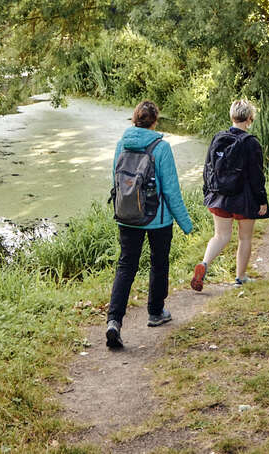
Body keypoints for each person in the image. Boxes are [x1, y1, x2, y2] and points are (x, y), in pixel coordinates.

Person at [106, 100, 193, 350]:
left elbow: (116, 179)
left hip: (127, 215)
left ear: (134, 120)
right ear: (155, 121)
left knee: (126, 265)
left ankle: (114, 321)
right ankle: (155, 313)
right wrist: (186, 224)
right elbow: (171, 190)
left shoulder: (121, 145)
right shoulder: (161, 147)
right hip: (158, 219)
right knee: (158, 261)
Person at [191, 98, 269, 292]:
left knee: (220, 236)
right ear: (249, 119)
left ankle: (205, 264)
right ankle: (240, 277)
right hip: (245, 199)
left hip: (220, 197)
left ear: (232, 116)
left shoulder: (219, 137)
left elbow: (207, 168)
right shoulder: (251, 143)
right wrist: (262, 200)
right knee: (245, 238)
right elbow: (257, 176)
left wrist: (208, 192)